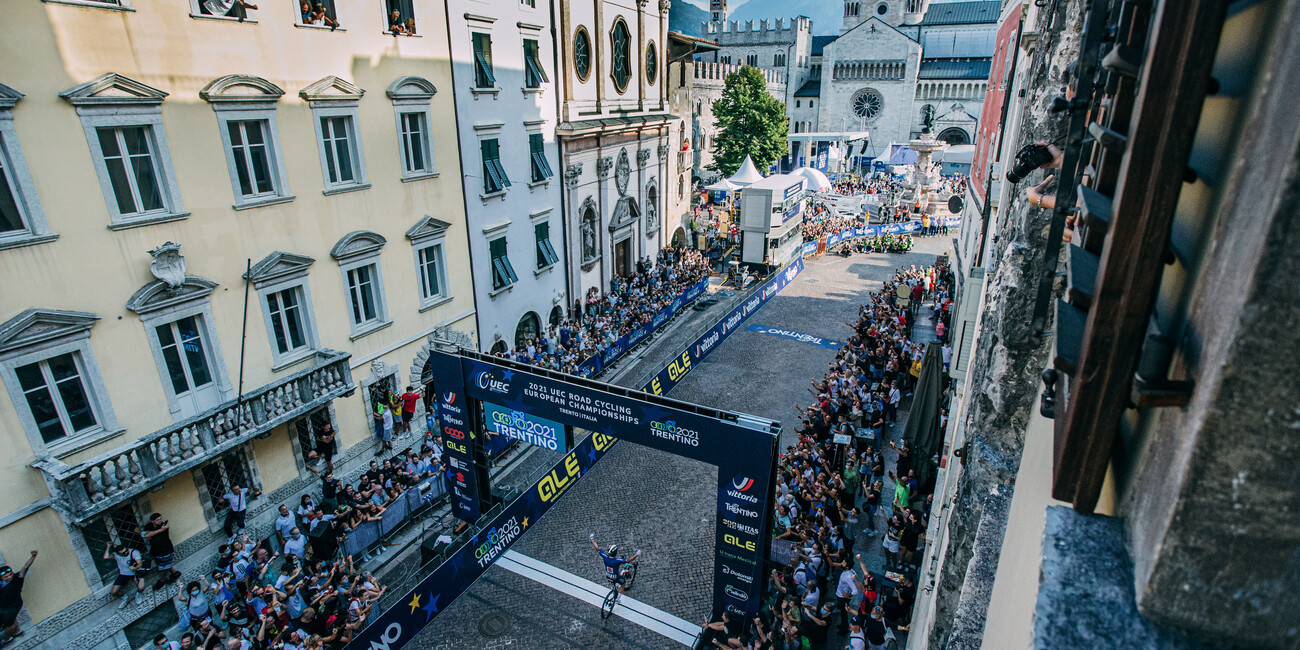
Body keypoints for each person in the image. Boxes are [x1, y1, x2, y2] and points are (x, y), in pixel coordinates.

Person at [0, 551, 36, 645]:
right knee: (11, 620)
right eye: (6, 575)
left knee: (9, 626)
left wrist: (33, 556)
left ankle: (6, 640)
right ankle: (16, 632)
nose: (9, 576)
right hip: (3, 607)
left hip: (12, 607)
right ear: (1, 577)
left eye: (10, 574)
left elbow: (25, 567)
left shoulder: (17, 579)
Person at [142, 513, 183, 589]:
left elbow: (150, 536)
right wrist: (159, 530)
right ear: (152, 521)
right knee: (165, 565)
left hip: (165, 550)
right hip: (156, 551)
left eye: (160, 519)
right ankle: (175, 573)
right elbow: (145, 535)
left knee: (163, 568)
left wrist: (159, 530)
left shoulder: (164, 527)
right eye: (157, 520)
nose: (160, 521)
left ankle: (162, 580)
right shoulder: (149, 526)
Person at [104, 544, 146, 608]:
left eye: (126, 550)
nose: (126, 552)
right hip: (124, 574)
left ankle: (138, 593)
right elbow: (105, 557)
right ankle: (125, 597)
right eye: (123, 553)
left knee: (141, 587)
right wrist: (108, 546)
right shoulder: (116, 555)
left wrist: (134, 568)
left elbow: (139, 563)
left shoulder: (134, 552)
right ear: (119, 553)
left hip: (136, 572)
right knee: (113, 592)